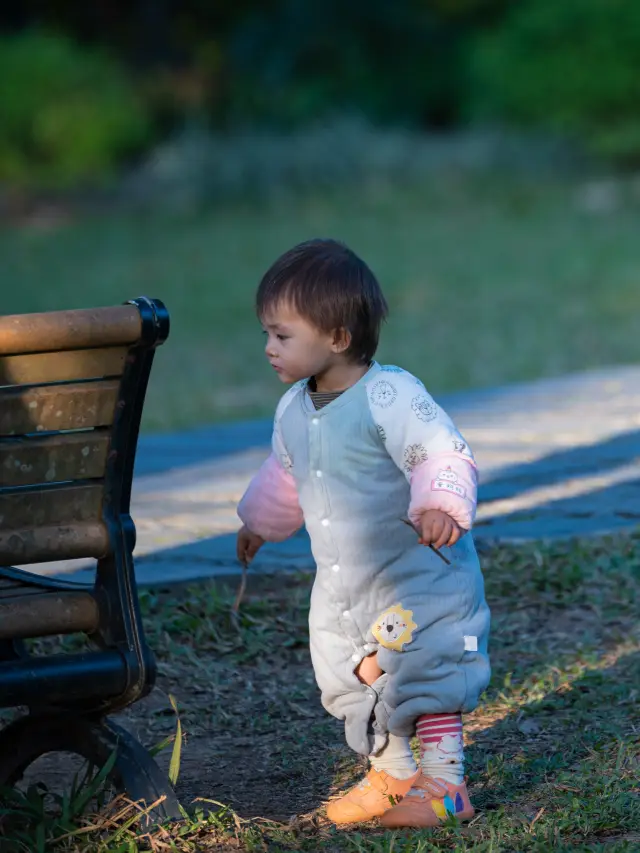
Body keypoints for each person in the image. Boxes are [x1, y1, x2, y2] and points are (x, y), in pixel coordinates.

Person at [236, 239, 490, 828]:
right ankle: (394, 775)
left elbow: (440, 451)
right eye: (267, 334)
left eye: (281, 335)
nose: (268, 348)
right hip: (346, 585)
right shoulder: (293, 409)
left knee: (425, 667)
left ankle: (447, 787)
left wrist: (440, 505)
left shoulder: (390, 395)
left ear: (338, 339)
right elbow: (284, 473)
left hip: (416, 572)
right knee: (349, 671)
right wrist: (258, 522)